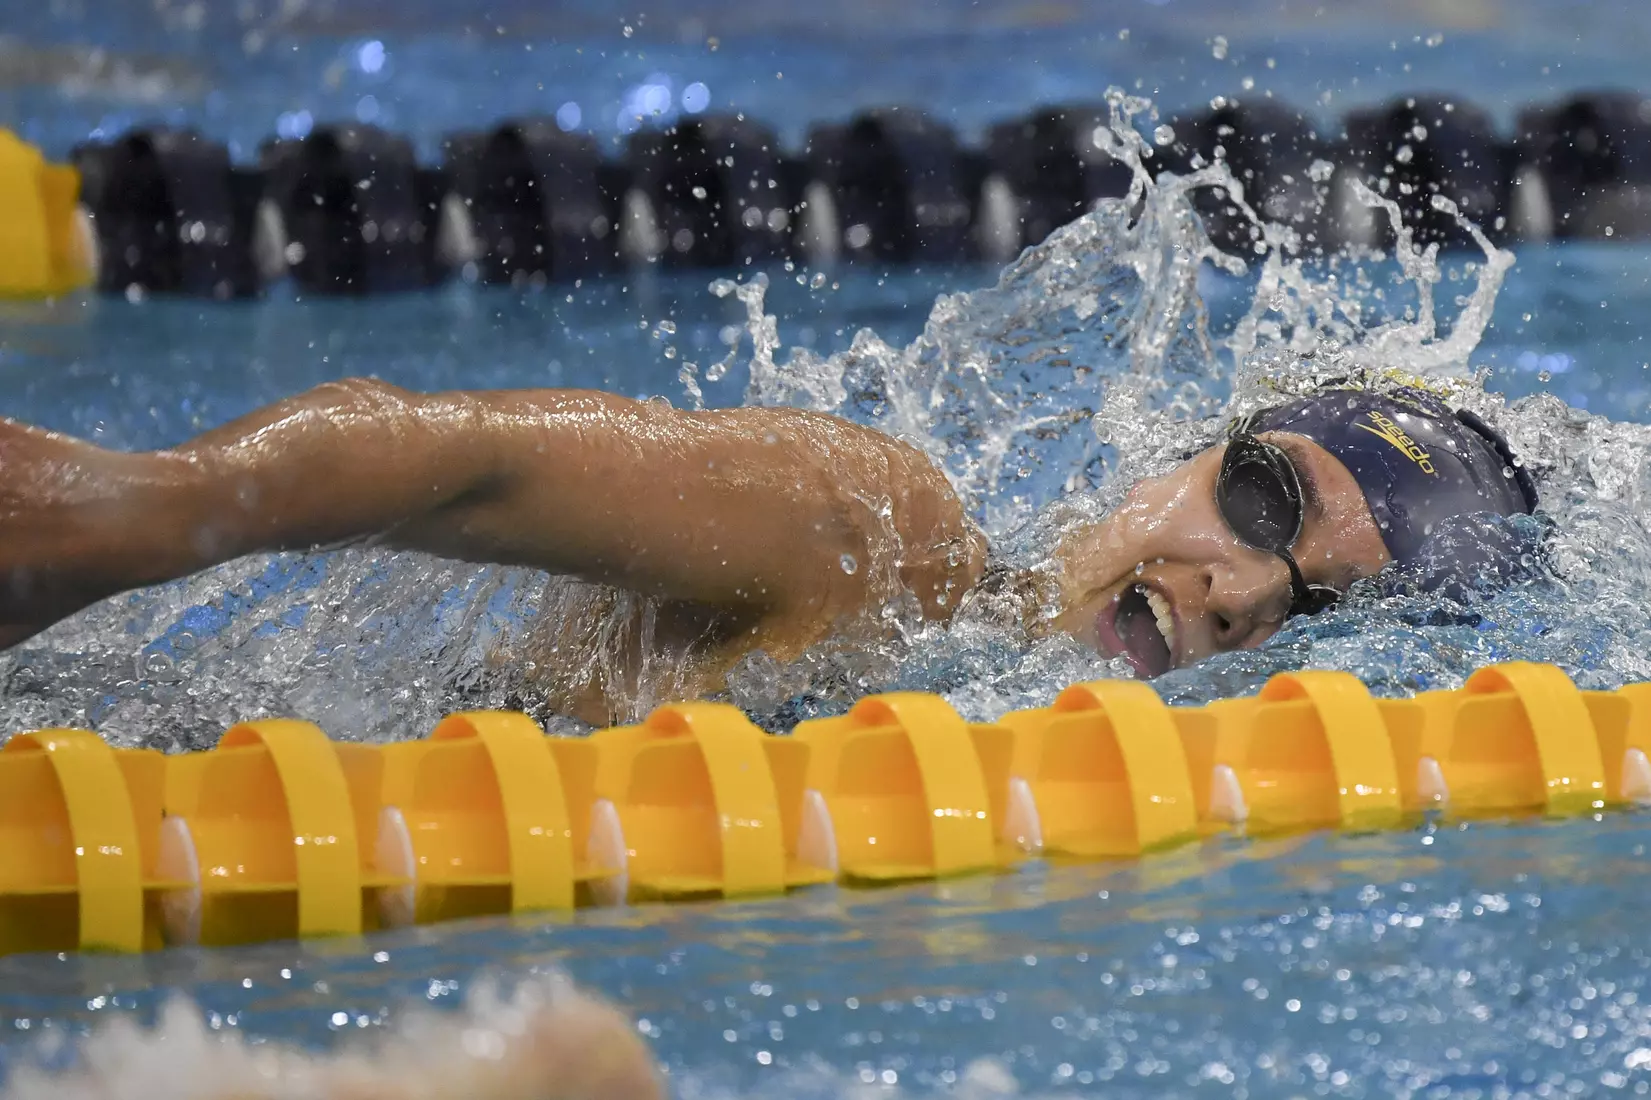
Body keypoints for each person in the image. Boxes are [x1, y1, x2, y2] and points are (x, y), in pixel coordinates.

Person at [0, 375, 1536, 722]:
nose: (1242, 591)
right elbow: (450, 459)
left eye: (1321, 605)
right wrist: (117, 516)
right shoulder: (883, 544)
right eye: (1263, 504)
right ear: (1173, 454)